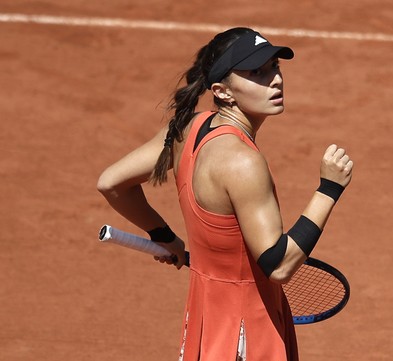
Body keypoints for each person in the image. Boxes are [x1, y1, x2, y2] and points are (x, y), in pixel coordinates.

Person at [97, 27, 353, 361]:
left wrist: (162, 234)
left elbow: (111, 183)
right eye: (257, 73)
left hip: (207, 325)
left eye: (275, 67)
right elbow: (278, 264)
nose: (275, 80)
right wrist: (328, 189)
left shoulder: (190, 129)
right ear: (222, 91)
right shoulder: (242, 163)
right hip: (249, 333)